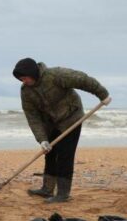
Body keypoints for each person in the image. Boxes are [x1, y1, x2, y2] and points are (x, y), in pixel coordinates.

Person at [13, 58, 111, 204]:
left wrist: (103, 95)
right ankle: (47, 189)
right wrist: (42, 139)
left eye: (24, 78)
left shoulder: (56, 76)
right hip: (50, 122)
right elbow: (32, 117)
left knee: (65, 155)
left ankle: (63, 194)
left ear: (32, 73)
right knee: (50, 154)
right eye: (21, 79)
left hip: (71, 118)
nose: (23, 81)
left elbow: (83, 80)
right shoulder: (26, 92)